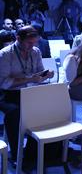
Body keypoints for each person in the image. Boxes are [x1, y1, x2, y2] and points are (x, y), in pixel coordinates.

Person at [0, 26, 54, 165]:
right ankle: (16, 154)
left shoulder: (35, 51)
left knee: (49, 108)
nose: (33, 45)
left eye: (35, 42)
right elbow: (4, 83)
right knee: (15, 113)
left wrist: (46, 74)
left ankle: (33, 150)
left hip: (30, 90)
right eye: (29, 43)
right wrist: (30, 79)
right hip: (8, 93)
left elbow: (39, 72)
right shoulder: (5, 54)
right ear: (18, 39)